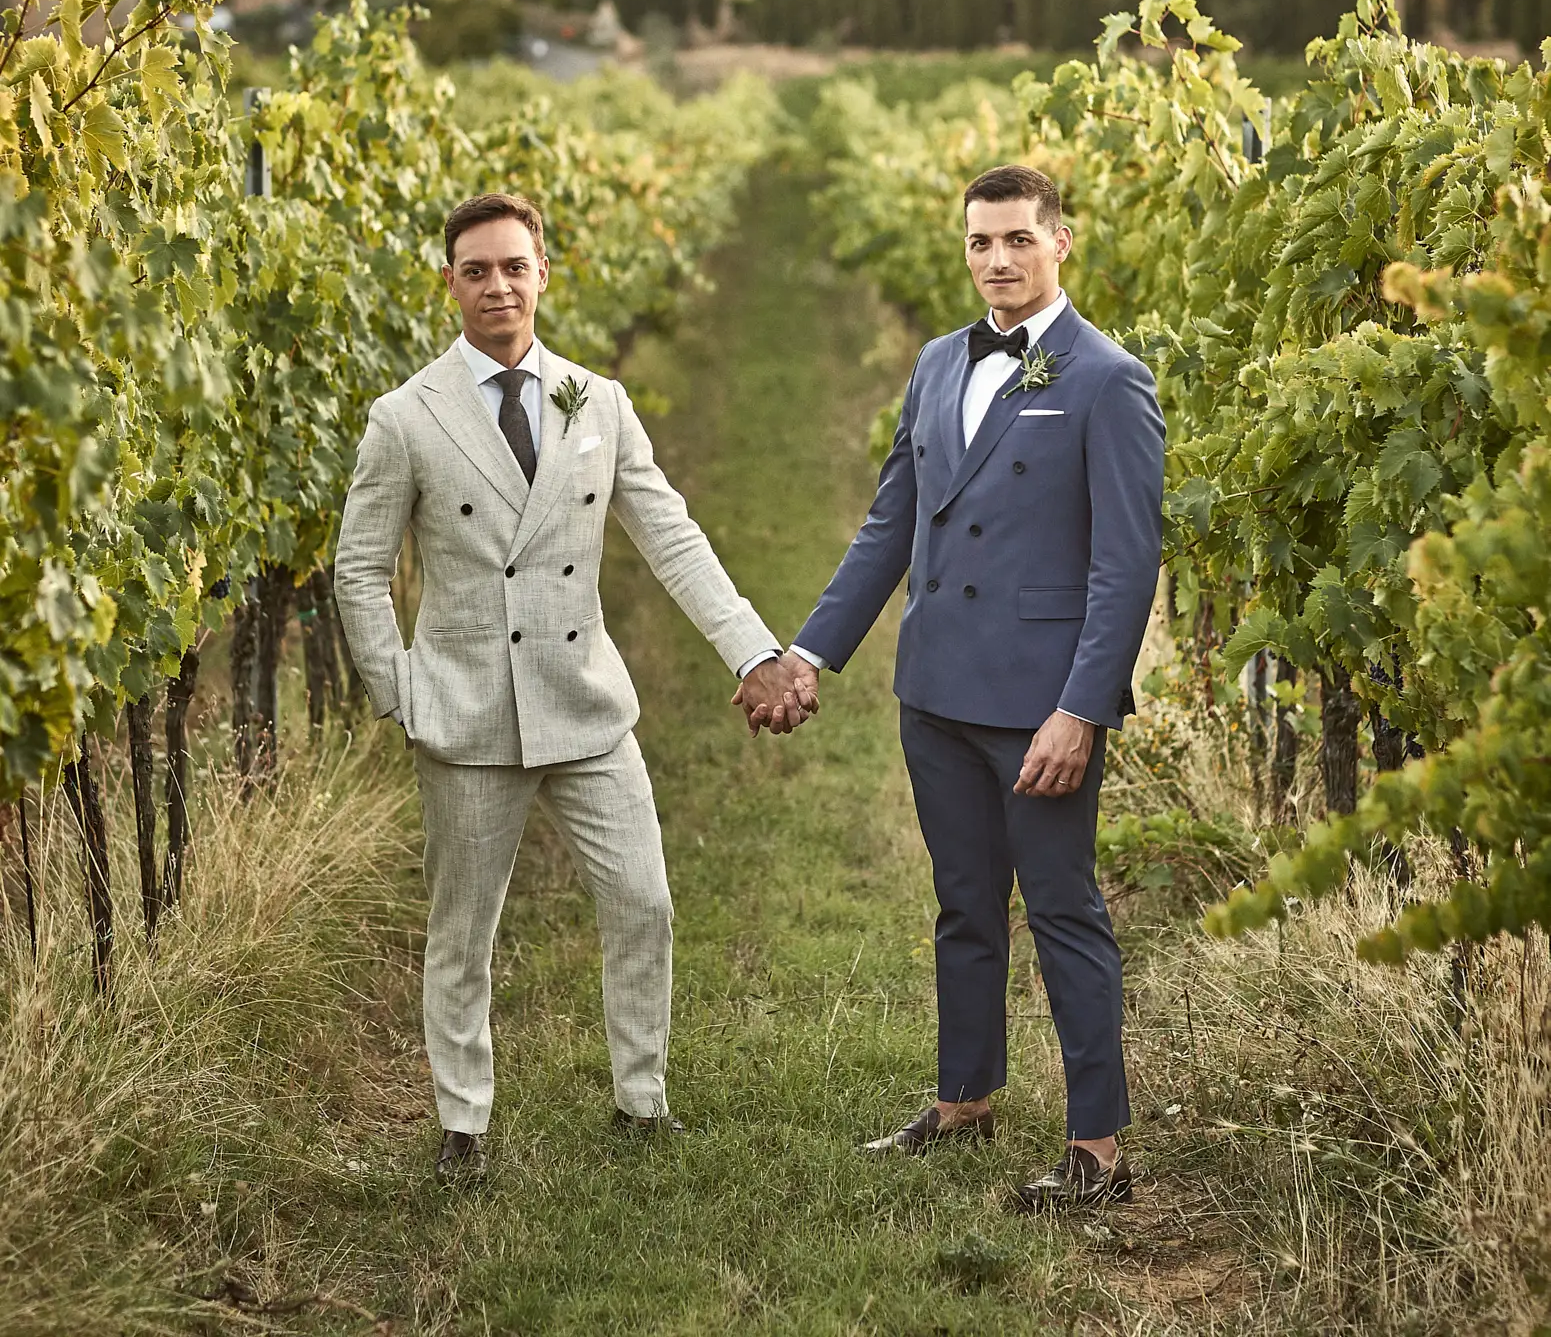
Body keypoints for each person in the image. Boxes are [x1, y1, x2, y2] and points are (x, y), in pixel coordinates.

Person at [334, 191, 810, 1183]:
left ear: (543, 273)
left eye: (515, 266)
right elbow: (359, 569)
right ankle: (463, 1124)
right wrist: (400, 691)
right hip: (465, 712)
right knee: (464, 931)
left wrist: (752, 653)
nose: (497, 286)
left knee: (644, 901)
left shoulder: (598, 401)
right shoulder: (406, 417)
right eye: (476, 270)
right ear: (450, 284)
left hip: (587, 705)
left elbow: (672, 538)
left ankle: (643, 1102)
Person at [742, 164, 1163, 1211]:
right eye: (981, 241)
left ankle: (1098, 1151)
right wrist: (808, 655)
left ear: (1061, 241)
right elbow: (891, 525)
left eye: (1018, 238)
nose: (997, 259)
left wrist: (1081, 709)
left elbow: (1125, 569)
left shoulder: (1108, 380)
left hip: (1039, 707)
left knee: (1063, 911)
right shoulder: (937, 363)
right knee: (964, 905)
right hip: (933, 690)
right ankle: (964, 1101)